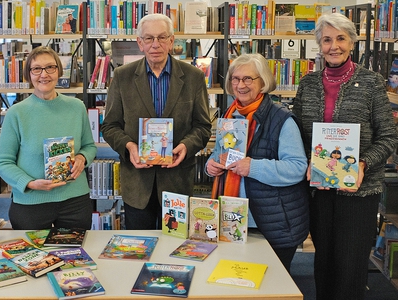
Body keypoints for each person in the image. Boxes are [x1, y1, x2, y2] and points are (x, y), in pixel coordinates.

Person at [292, 13, 398, 300]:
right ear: (319, 44)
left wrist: (363, 164)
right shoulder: (308, 83)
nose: (334, 46)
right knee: (323, 262)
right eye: (327, 39)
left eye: (340, 38)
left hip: (359, 191)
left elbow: (389, 136)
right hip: (320, 189)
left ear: (352, 42)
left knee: (350, 267)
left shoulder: (372, 82)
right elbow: (297, 134)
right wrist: (307, 163)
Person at [101, 13, 212, 230]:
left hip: (177, 180)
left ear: (172, 41)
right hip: (137, 183)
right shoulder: (122, 77)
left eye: (162, 38)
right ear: (139, 43)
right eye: (149, 38)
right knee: (139, 248)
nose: (156, 44)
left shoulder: (193, 77)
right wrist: (129, 146)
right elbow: (110, 126)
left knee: (175, 247)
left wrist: (186, 146)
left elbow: (203, 126)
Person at [205, 53, 310, 273]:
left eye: (248, 79)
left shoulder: (282, 119)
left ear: (263, 82)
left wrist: (253, 167)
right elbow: (220, 154)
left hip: (273, 224)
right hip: (234, 221)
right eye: (235, 79)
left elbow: (297, 168)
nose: (240, 85)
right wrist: (211, 165)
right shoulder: (230, 114)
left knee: (273, 286)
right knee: (236, 282)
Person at [0, 46, 97, 230]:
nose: (44, 74)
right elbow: (2, 162)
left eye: (50, 67)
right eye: (37, 69)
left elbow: (89, 146)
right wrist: (30, 183)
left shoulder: (77, 107)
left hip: (74, 200)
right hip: (30, 202)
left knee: (74, 256)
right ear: (29, 74)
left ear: (59, 71)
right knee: (32, 257)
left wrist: (82, 158)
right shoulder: (16, 113)